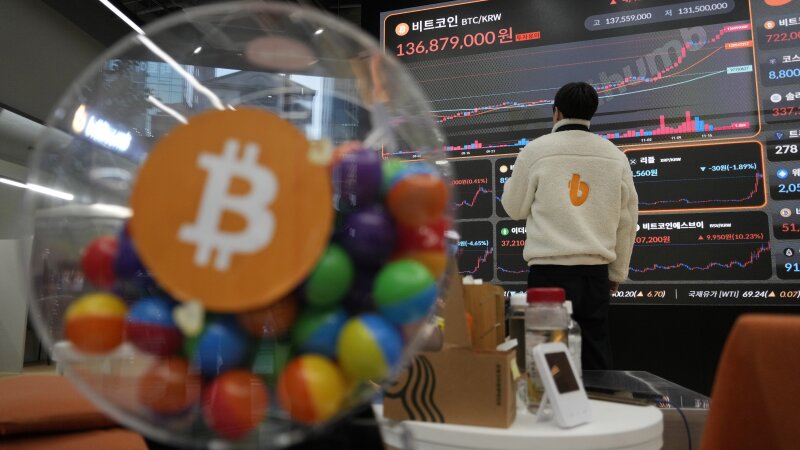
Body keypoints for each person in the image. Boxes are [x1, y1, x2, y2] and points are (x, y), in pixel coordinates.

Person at [501, 82, 638, 370]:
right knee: (595, 353)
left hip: (548, 274)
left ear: (556, 112)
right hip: (594, 275)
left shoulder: (535, 151)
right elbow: (627, 221)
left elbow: (514, 209)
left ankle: (551, 412)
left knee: (546, 356)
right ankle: (599, 411)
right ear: (592, 113)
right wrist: (617, 272)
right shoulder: (615, 155)